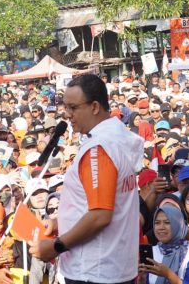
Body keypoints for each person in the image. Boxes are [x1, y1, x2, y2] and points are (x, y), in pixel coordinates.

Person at [29, 74, 144, 284]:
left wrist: (56, 246)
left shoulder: (99, 149)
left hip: (95, 271)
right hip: (111, 266)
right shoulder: (116, 139)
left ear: (94, 107)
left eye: (73, 107)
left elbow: (100, 215)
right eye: (66, 107)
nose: (68, 115)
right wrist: (62, 222)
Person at [139, 205, 189, 284]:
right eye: (157, 223)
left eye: (167, 222)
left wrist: (169, 275)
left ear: (178, 224)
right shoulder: (153, 251)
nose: (161, 227)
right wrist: (141, 279)